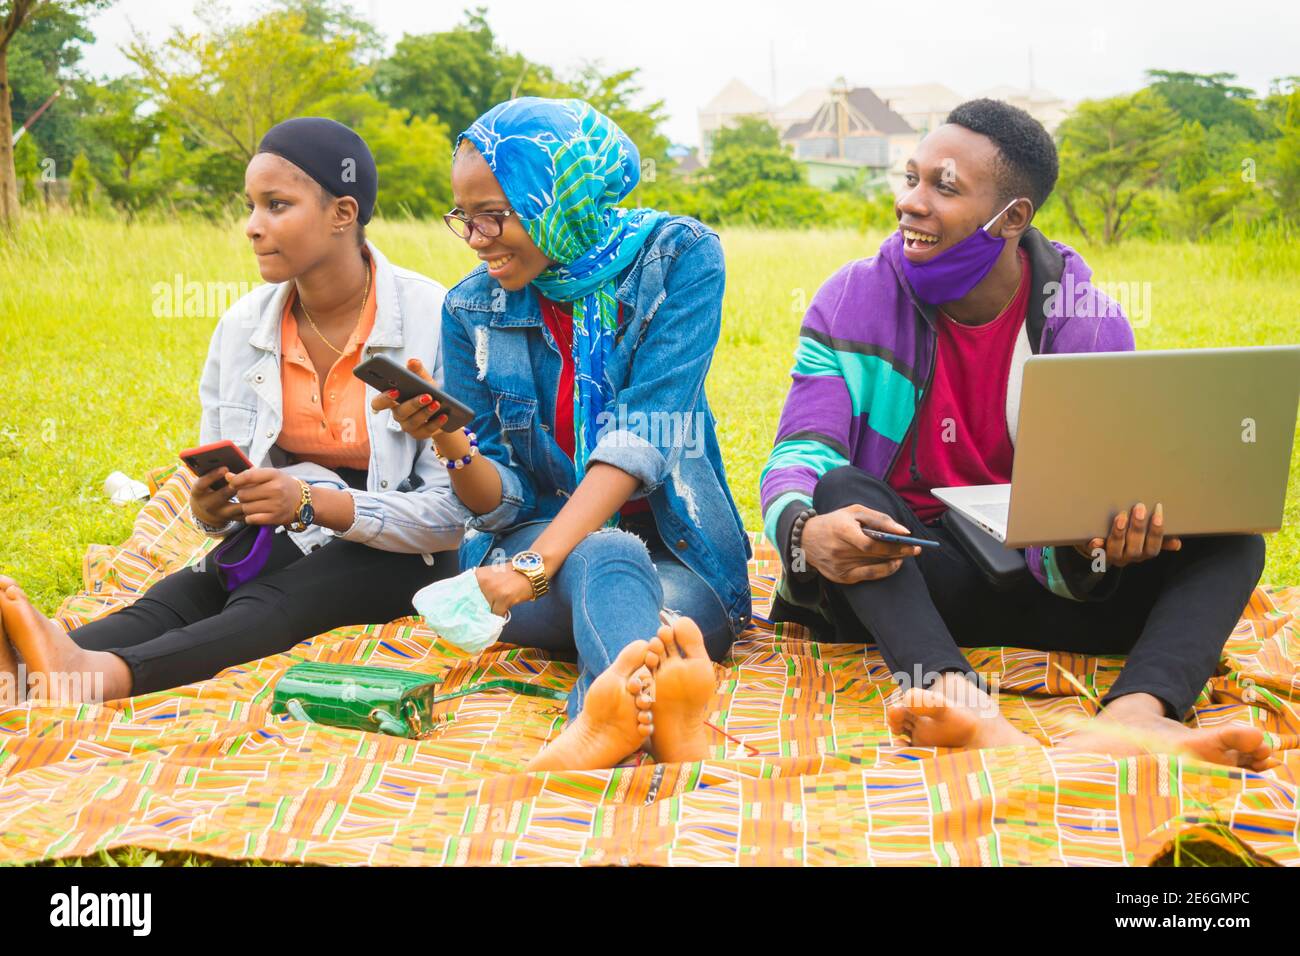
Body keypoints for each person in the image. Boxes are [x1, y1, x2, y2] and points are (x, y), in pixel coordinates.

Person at [759, 99, 1271, 770]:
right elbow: (801, 453)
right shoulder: (851, 299)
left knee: (1233, 540)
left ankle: (1136, 715)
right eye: (911, 178)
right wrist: (803, 535)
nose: (911, 202)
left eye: (943, 187)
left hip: (1059, 583)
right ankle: (952, 698)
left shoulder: (1086, 323)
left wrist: (1112, 542)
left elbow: (1099, 494)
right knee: (839, 489)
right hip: (911, 588)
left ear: (1013, 218)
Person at [0, 117, 463, 704]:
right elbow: (227, 492)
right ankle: (24, 667)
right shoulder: (244, 326)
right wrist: (213, 508)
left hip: (407, 546)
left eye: (276, 205)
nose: (252, 227)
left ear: (342, 213)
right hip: (296, 520)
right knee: (194, 586)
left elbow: (453, 512)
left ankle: (104, 678)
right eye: (251, 206)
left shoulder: (434, 318)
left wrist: (316, 504)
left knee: (276, 601)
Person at [377, 98, 750, 770]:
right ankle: (651, 723)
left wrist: (534, 569)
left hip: (675, 552)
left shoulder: (681, 261)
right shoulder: (472, 307)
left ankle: (602, 727)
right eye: (465, 217)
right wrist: (449, 442)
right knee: (613, 564)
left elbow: (646, 432)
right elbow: (500, 500)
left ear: (560, 197)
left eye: (497, 213)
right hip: (525, 558)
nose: (478, 237)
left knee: (632, 580)